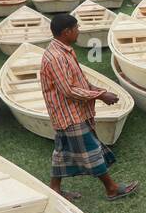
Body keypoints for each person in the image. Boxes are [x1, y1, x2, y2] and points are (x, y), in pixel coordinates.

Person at [40, 13, 137, 202]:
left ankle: (55, 188)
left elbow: (78, 81)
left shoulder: (64, 50)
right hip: (69, 115)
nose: (79, 31)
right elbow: (68, 90)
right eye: (76, 28)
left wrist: (98, 91)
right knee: (91, 150)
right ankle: (112, 189)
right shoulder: (56, 58)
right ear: (66, 32)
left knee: (62, 152)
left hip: (68, 113)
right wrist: (100, 95)